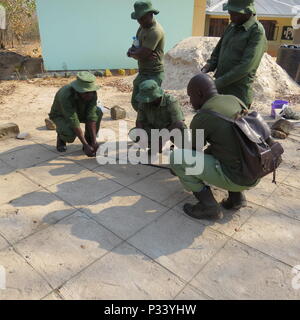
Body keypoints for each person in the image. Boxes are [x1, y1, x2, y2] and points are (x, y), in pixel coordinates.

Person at [170, 73, 259, 220]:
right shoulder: (234, 99)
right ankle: (237, 198)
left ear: (199, 93)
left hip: (236, 177)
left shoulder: (203, 116)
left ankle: (208, 206)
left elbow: (194, 155)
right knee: (223, 146)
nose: (190, 101)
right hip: (255, 170)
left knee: (178, 158)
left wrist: (175, 166)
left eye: (190, 96)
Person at [202, 0, 267, 107]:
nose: (231, 18)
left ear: (247, 12)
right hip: (221, 91)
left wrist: (217, 83)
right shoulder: (232, 26)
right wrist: (210, 64)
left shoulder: (257, 32)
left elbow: (246, 66)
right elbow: (219, 49)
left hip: (238, 94)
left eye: (234, 14)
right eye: (230, 14)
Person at [49, 71, 103, 157]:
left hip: (79, 112)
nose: (89, 95)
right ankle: (61, 138)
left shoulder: (92, 93)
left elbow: (91, 116)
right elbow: (73, 120)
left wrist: (94, 141)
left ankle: (89, 141)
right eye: (85, 92)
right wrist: (85, 144)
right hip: (61, 115)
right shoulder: (65, 95)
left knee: (98, 112)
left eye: (91, 92)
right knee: (70, 136)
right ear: (78, 90)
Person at [127, 1, 165, 111]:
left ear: (150, 14)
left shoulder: (155, 31)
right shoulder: (141, 28)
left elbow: (141, 53)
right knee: (136, 102)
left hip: (154, 74)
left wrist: (136, 54)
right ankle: (146, 123)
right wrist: (136, 53)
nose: (139, 21)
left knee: (149, 105)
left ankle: (154, 126)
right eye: (138, 19)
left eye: (142, 18)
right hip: (143, 72)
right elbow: (135, 48)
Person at [131, 79, 186, 153]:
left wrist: (162, 139)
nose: (145, 102)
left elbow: (179, 123)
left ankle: (166, 144)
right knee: (134, 134)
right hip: (154, 130)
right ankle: (155, 145)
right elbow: (139, 121)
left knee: (185, 142)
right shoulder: (143, 103)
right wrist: (142, 135)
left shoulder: (170, 101)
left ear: (155, 96)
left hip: (171, 130)